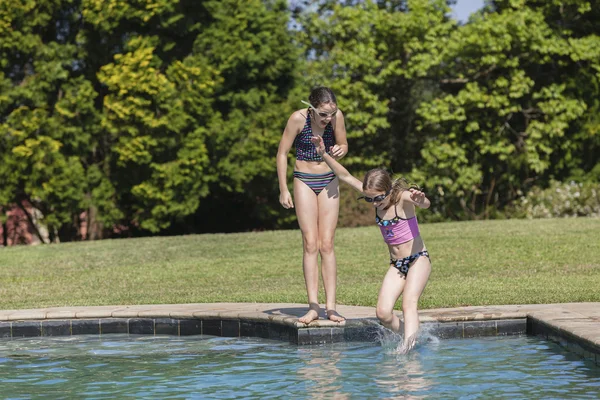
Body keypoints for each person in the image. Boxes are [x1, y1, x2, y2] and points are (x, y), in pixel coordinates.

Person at [311, 135, 431, 353]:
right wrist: (323, 153)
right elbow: (344, 175)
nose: (374, 203)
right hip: (397, 265)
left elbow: (425, 204)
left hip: (418, 259)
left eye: (377, 198)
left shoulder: (403, 198)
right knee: (383, 313)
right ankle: (413, 336)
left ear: (389, 190)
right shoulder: (373, 194)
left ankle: (408, 348)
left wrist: (420, 199)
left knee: (408, 303)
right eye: (369, 199)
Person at [276, 87, 348, 324]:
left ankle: (332, 307)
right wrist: (284, 189)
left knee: (326, 244)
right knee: (310, 243)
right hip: (304, 179)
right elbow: (282, 153)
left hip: (328, 178)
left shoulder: (337, 117)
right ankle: (313, 307)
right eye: (323, 114)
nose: (328, 119)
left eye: (331, 113)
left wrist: (341, 149)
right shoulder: (298, 119)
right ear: (312, 108)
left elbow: (343, 144)